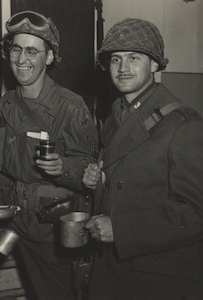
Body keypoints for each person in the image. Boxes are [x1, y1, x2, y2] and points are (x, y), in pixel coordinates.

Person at [0, 10, 99, 300]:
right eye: (15, 49)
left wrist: (62, 167)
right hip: (12, 222)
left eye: (32, 51)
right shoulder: (5, 105)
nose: (21, 59)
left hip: (49, 230)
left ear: (49, 57)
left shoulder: (70, 107)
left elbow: (91, 173)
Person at [82, 18, 203, 299]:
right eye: (115, 59)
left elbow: (197, 212)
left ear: (155, 65)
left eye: (134, 57)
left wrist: (121, 230)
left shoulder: (183, 125)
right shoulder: (115, 119)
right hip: (116, 270)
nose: (123, 68)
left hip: (157, 280)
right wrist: (98, 182)